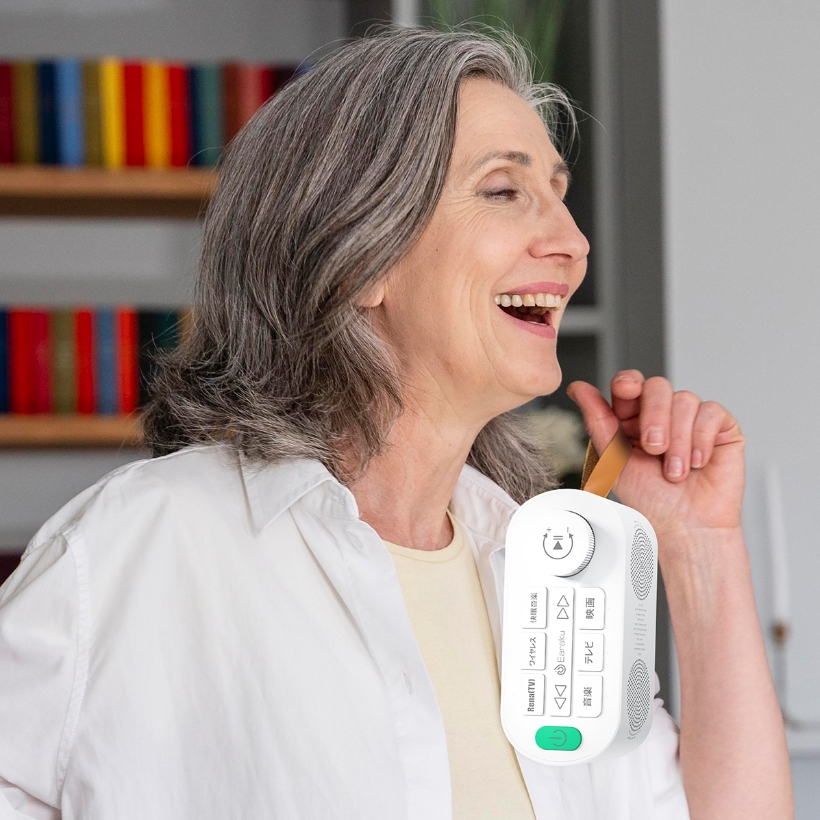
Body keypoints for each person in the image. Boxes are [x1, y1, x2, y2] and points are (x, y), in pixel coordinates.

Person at [0, 26, 791, 820]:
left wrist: (701, 547)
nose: (573, 242)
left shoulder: (546, 576)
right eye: (503, 191)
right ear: (362, 254)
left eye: (558, 191)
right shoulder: (143, 546)